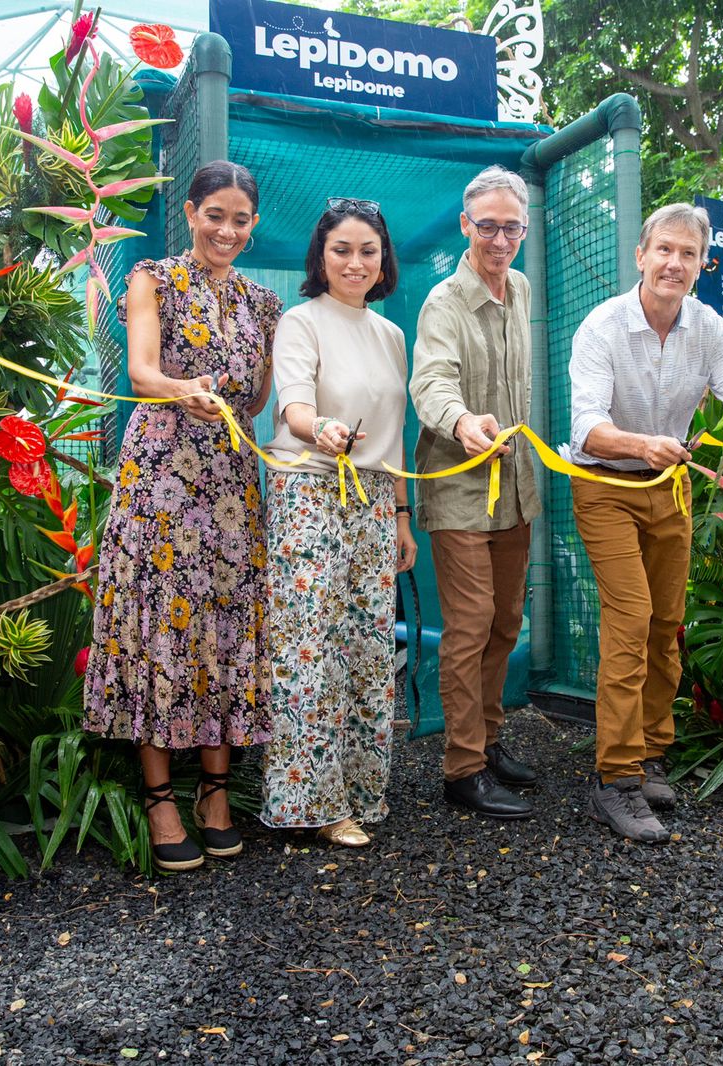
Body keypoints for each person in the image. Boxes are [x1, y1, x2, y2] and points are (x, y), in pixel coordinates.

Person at [567, 202, 723, 844]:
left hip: (669, 488)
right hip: (604, 484)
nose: (674, 263)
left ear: (702, 264)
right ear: (641, 256)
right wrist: (643, 445)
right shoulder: (602, 327)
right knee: (631, 616)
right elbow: (585, 426)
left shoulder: (708, 326)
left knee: (667, 623)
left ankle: (648, 755)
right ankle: (613, 780)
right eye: (663, 250)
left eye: (688, 254)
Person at [83, 161, 282, 871]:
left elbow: (256, 400)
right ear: (192, 212)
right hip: (161, 472)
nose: (226, 229)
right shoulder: (153, 277)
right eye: (215, 215)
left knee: (226, 621)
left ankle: (217, 792)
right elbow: (140, 372)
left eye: (240, 219)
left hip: (231, 480)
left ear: (253, 225)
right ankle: (160, 798)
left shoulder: (264, 304)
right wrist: (180, 388)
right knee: (159, 623)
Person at [260, 198, 415, 848]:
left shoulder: (391, 335)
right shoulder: (301, 321)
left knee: (369, 652)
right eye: (342, 249)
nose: (355, 261)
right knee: (308, 651)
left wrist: (403, 517)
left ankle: (358, 794)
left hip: (377, 502)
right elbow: (294, 402)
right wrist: (317, 428)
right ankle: (310, 805)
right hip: (310, 492)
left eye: (367, 250)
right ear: (320, 258)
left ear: (383, 261)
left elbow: (396, 434)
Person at [408, 166, 541, 820]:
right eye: (486, 225)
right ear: (466, 225)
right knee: (469, 624)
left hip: (515, 487)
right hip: (460, 484)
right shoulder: (443, 302)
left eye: (510, 226)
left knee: (505, 621)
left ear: (523, 228)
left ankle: (487, 742)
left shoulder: (519, 288)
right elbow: (430, 383)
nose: (498, 238)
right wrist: (462, 422)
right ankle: (462, 769)